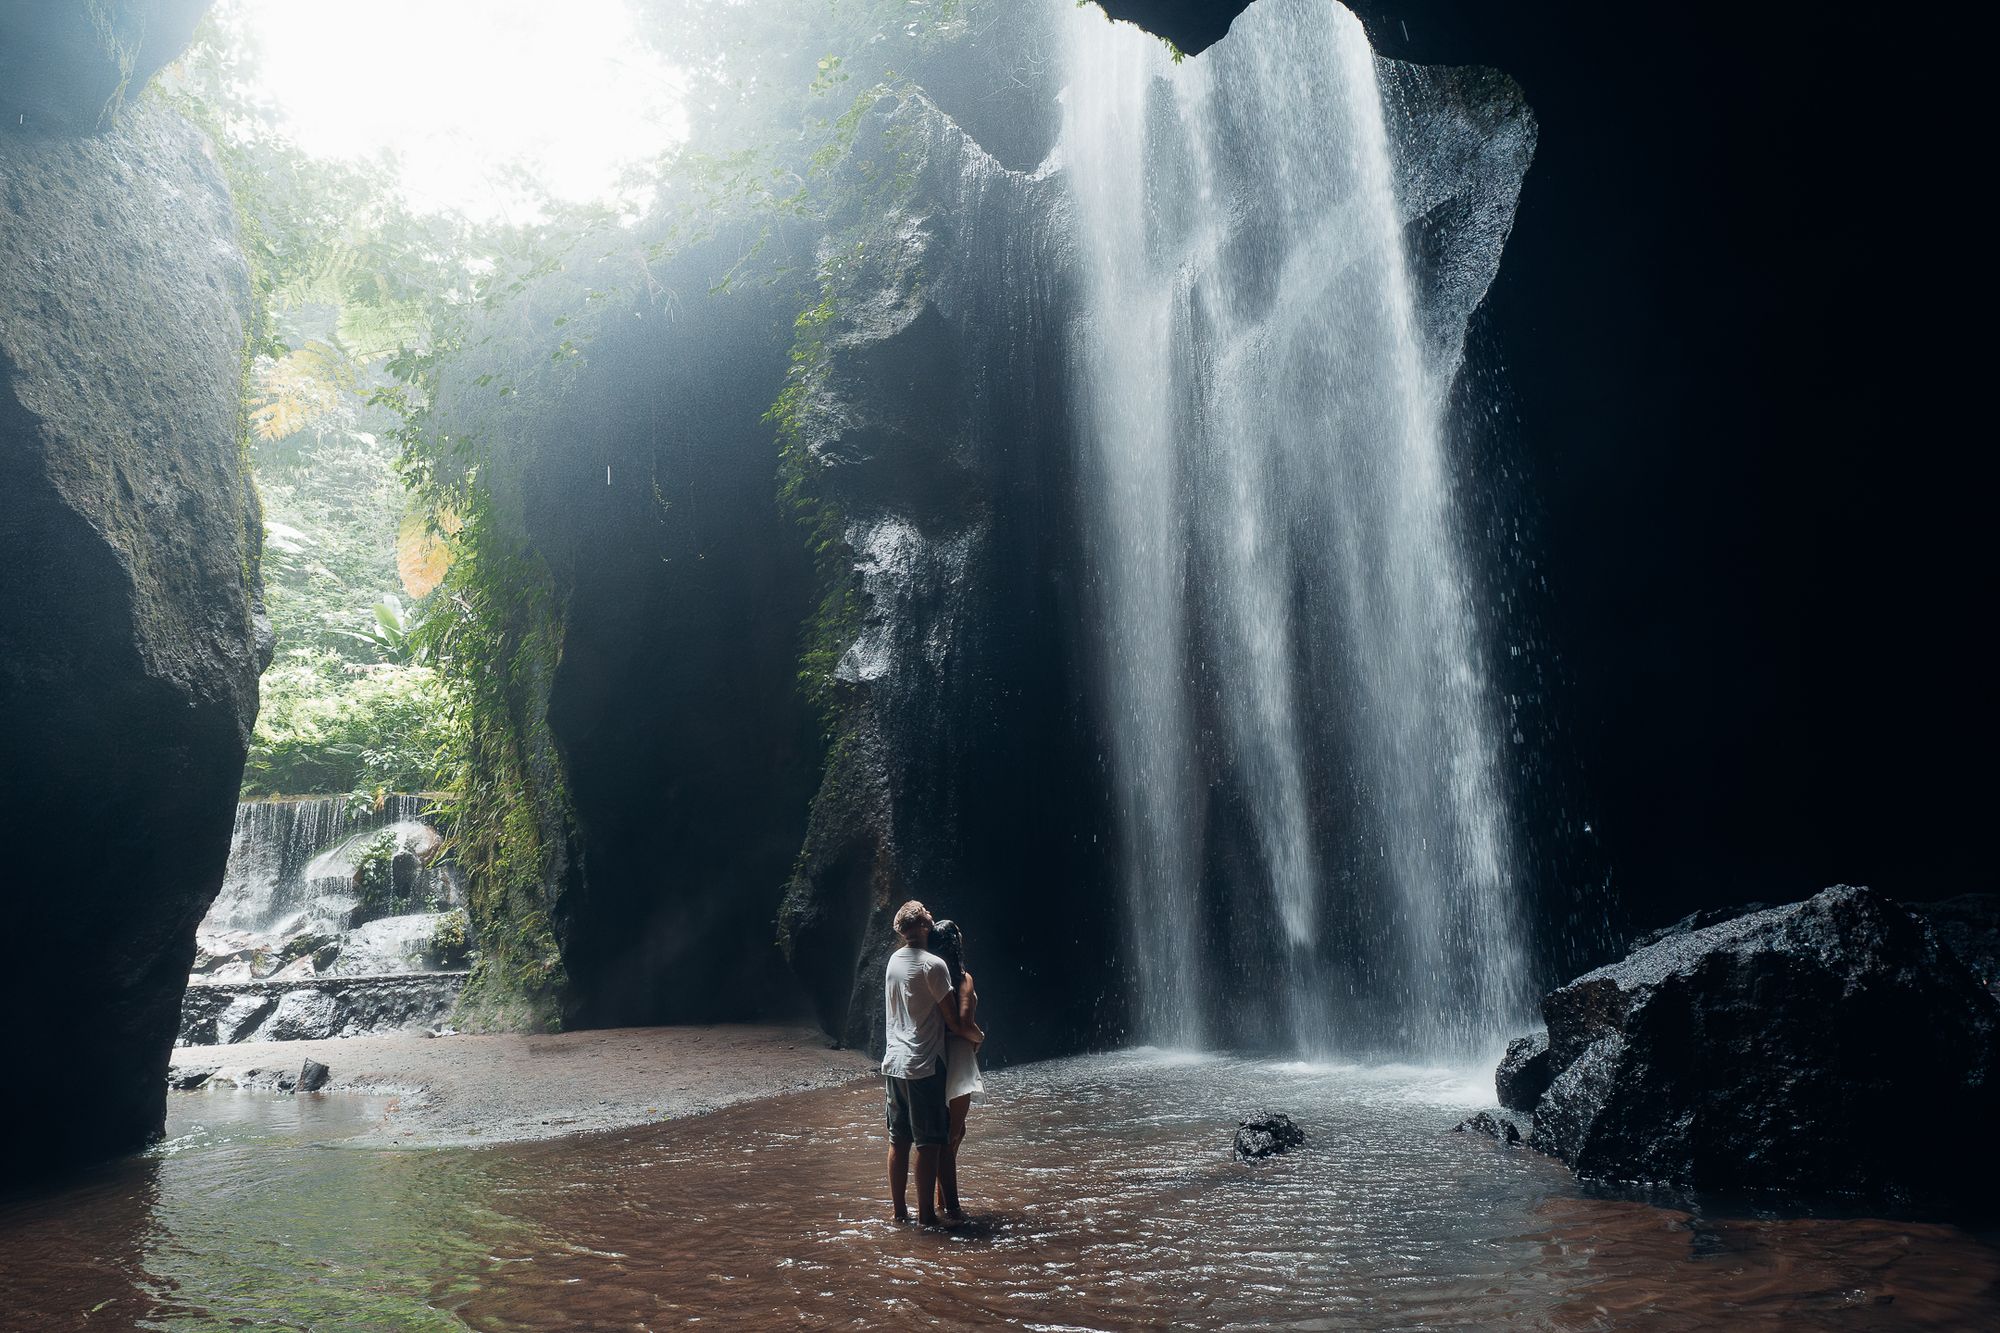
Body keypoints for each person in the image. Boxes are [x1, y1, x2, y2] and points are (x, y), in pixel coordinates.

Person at [880, 900, 977, 1227]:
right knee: (929, 1142)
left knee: (898, 1139)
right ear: (921, 926)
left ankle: (898, 1213)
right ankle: (925, 1218)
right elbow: (954, 1022)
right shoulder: (934, 966)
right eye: (926, 913)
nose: (931, 915)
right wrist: (978, 1037)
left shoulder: (893, 961)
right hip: (923, 1065)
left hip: (893, 1064)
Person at [926, 918, 984, 1222]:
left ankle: (940, 1200)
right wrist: (980, 1037)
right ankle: (954, 1209)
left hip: (934, 1053)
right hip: (959, 1055)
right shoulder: (962, 978)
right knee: (952, 1134)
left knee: (950, 1132)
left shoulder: (932, 975)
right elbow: (962, 1023)